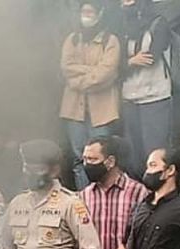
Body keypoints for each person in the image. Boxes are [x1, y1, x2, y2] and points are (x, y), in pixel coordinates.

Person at [60, 2, 122, 190]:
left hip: (102, 112)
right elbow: (66, 67)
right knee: (79, 158)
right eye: (83, 11)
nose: (86, 15)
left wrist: (79, 81)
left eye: (90, 12)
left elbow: (107, 72)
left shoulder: (111, 40)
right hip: (74, 111)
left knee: (101, 158)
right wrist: (90, 72)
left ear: (100, 13)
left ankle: (103, 196)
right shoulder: (72, 39)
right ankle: (83, 200)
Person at [119, 0, 174, 176]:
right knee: (133, 152)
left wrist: (127, 62)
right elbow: (112, 60)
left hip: (155, 96)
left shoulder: (159, 22)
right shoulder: (119, 25)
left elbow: (151, 55)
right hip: (129, 95)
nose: (126, 4)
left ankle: (157, 188)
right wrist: (130, 61)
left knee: (154, 149)